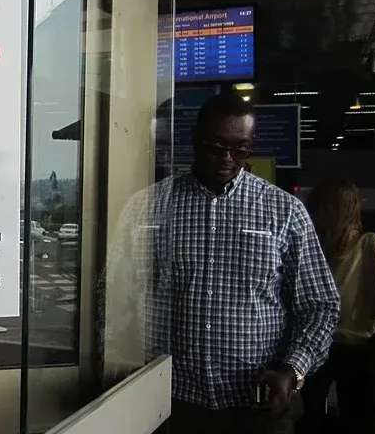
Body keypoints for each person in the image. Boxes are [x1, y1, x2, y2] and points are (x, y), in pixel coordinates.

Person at [102, 94, 340, 434]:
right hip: (168, 402)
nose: (227, 158)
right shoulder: (145, 208)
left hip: (259, 404)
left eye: (240, 149)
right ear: (195, 139)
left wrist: (293, 370)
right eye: (214, 146)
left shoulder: (284, 212)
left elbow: (320, 305)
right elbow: (112, 296)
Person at [299, 179, 375, 434]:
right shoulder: (372, 246)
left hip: (311, 347)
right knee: (360, 417)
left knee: (310, 415)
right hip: (360, 349)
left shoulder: (305, 245)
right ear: (353, 208)